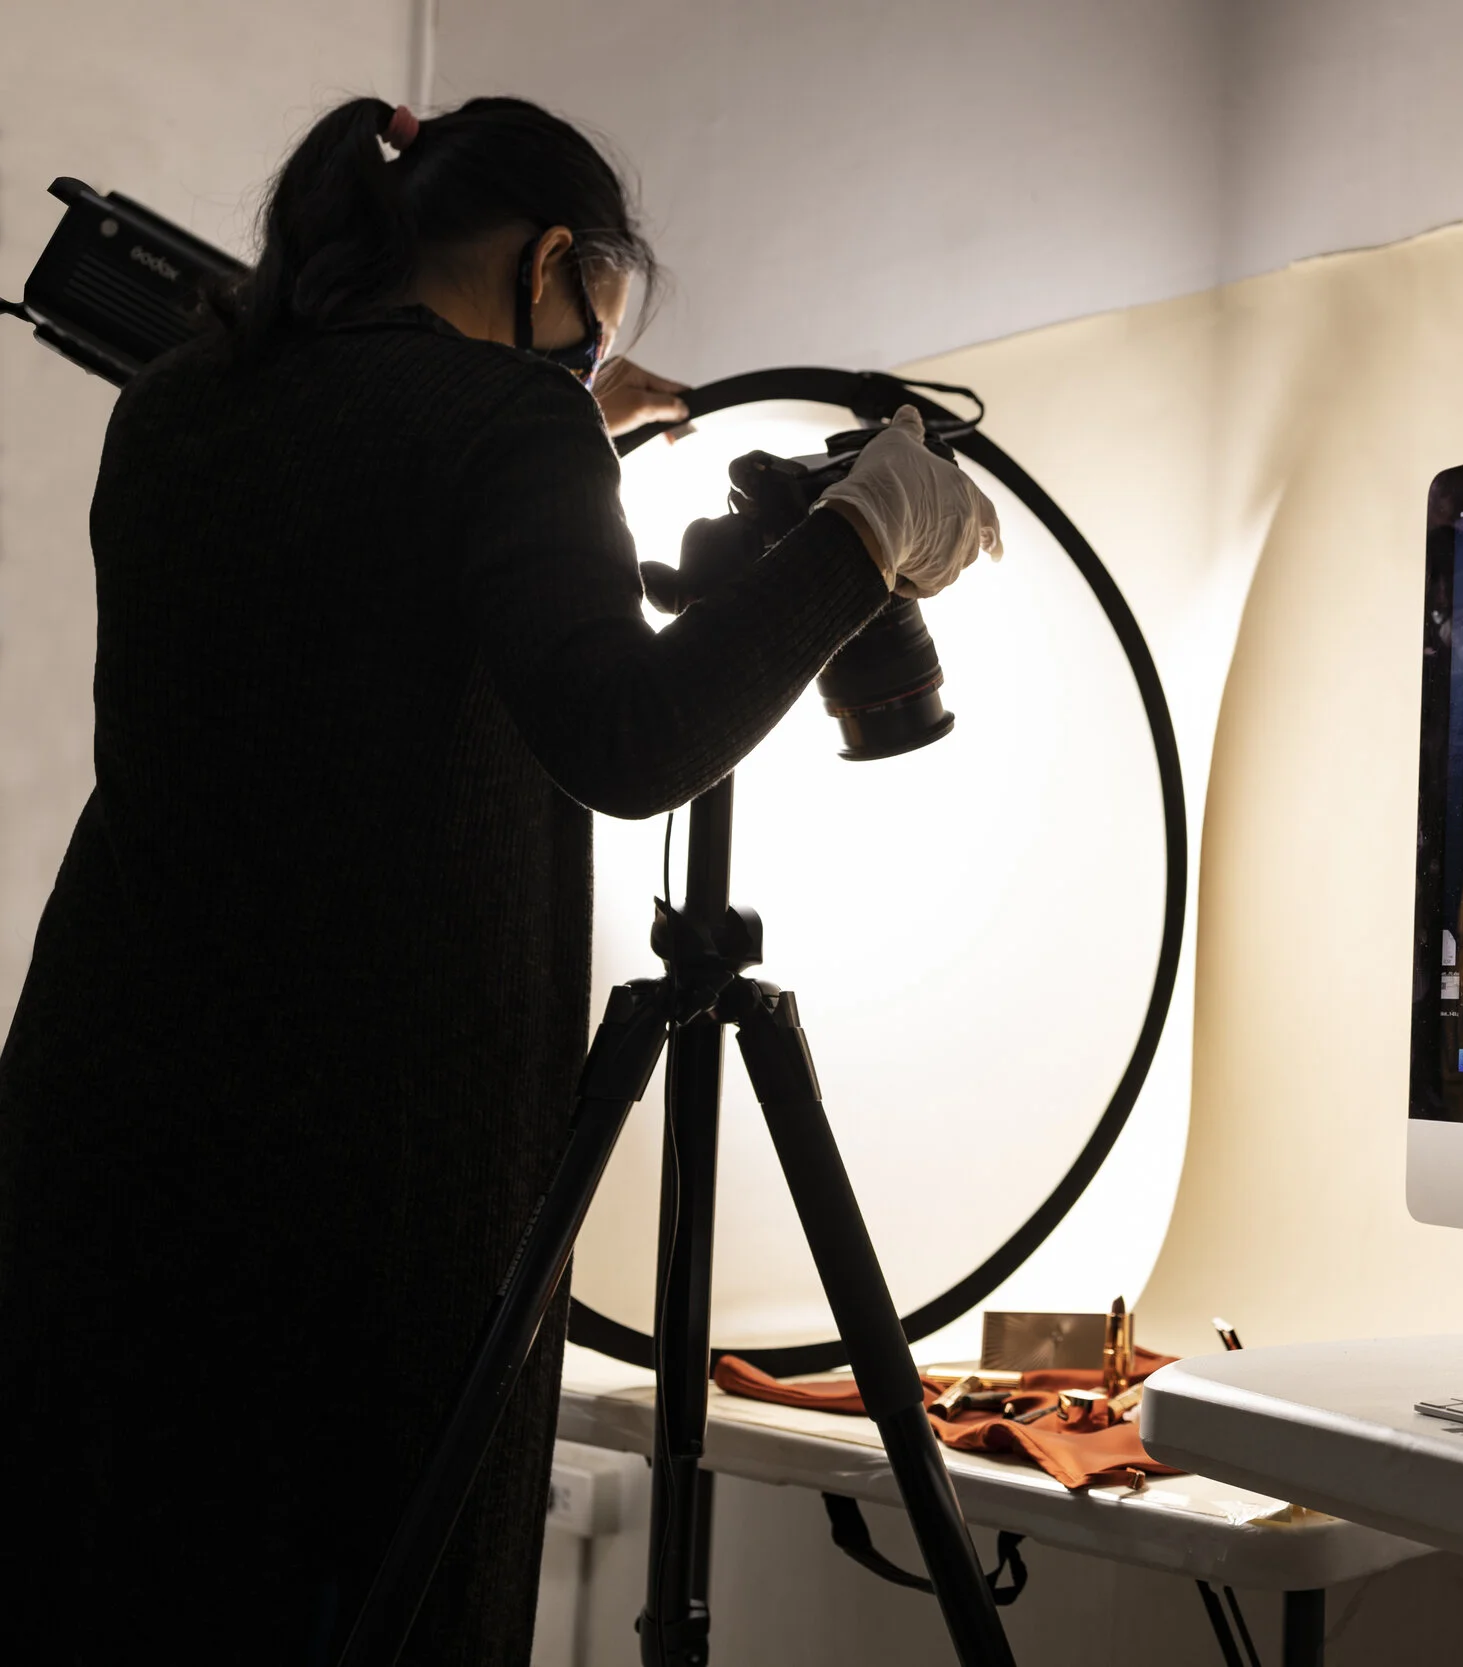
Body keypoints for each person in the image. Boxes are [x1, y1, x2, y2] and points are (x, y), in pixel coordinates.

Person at [0, 94, 998, 1662]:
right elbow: (627, 732)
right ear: (551, 265)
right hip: (357, 1217)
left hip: (93, 1166)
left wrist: (547, 440)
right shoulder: (504, 425)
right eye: (589, 323)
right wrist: (864, 533)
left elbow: (341, 567)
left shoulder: (182, 401)